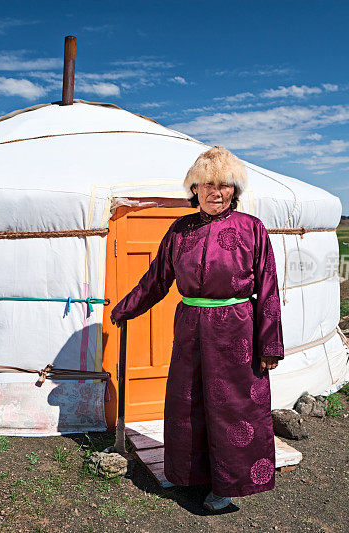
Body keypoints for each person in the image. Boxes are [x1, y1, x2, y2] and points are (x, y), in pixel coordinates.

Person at [110, 146, 285, 512]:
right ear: (194, 189)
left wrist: (269, 345)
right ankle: (188, 474)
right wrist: (127, 308)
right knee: (186, 401)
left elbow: (268, 287)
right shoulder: (181, 230)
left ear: (234, 190)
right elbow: (158, 278)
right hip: (190, 324)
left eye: (223, 185)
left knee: (233, 408)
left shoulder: (252, 228)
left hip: (236, 328)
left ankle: (227, 486)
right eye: (206, 185)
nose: (214, 192)